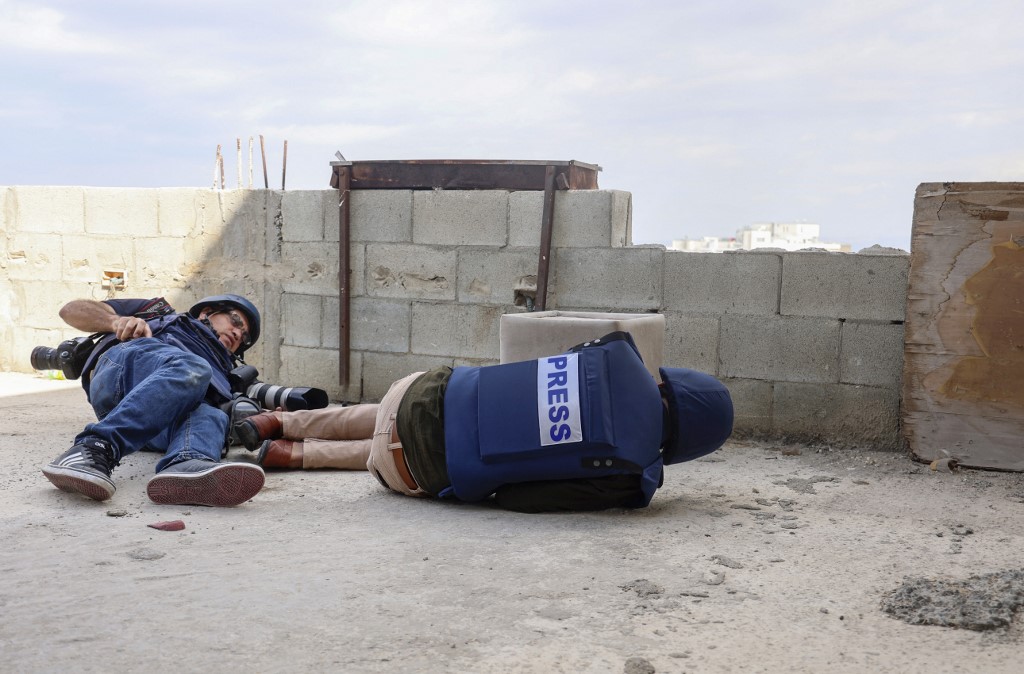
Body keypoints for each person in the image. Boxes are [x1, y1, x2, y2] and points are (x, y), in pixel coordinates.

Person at [236, 331, 734, 512]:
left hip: (413, 391)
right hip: (406, 469)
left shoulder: (617, 351)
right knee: (415, 452)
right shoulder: (632, 476)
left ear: (669, 384)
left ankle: (280, 422)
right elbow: (522, 499)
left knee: (405, 411)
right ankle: (291, 456)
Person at [42, 294, 267, 507]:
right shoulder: (158, 311)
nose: (238, 333)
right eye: (236, 321)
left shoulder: (229, 373)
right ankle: (93, 447)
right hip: (122, 373)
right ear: (207, 311)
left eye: (244, 337)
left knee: (213, 414)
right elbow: (70, 310)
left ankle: (186, 465)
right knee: (193, 367)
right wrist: (116, 321)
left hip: (156, 426)